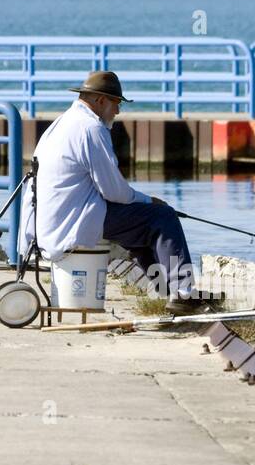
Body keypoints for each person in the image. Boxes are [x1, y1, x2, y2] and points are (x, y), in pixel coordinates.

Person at [20, 70, 218, 315]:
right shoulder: (90, 129)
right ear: (101, 100)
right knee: (163, 217)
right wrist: (151, 201)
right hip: (75, 221)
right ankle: (184, 294)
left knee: (139, 230)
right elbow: (114, 191)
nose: (118, 111)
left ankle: (169, 293)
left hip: (55, 221)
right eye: (116, 103)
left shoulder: (61, 123)